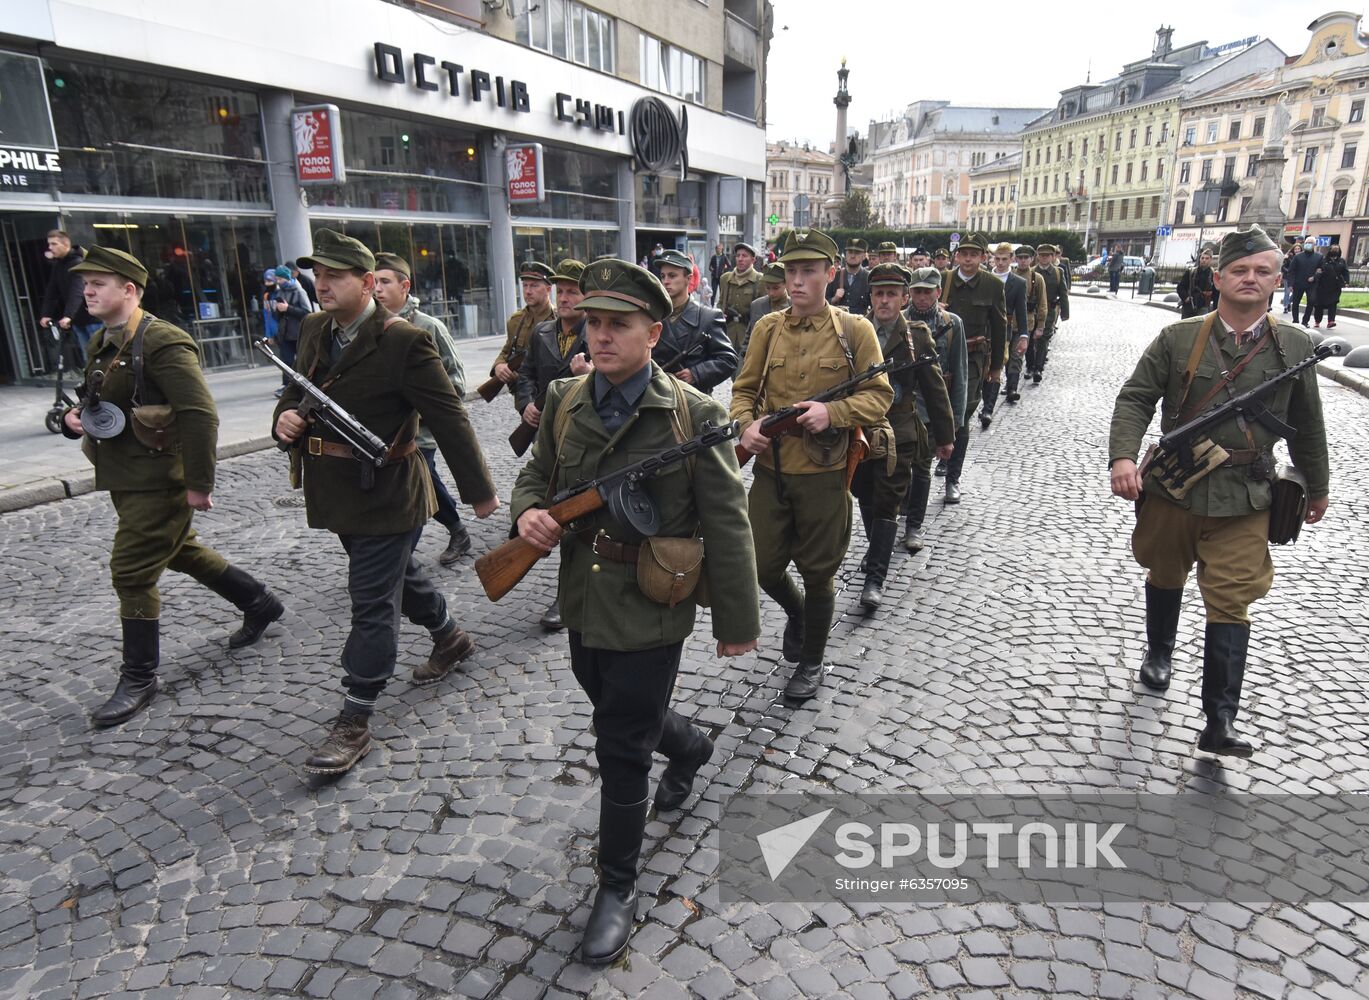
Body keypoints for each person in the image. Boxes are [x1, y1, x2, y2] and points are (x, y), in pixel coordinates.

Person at [511, 259, 759, 966]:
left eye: (618, 324)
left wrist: (735, 623)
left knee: (618, 740)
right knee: (611, 700)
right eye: (592, 322)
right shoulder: (564, 398)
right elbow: (537, 472)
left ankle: (616, 885)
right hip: (584, 596)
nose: (602, 335)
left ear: (655, 332)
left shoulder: (693, 413)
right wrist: (529, 512)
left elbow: (727, 520)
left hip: (654, 600)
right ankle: (687, 745)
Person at [272, 230, 500, 775]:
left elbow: (449, 416)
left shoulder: (404, 340)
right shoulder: (313, 328)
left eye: (334, 276)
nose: (321, 285)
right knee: (398, 578)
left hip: (392, 493)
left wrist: (481, 494)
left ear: (368, 283)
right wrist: (284, 419)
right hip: (338, 492)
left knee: (370, 598)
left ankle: (355, 716)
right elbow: (295, 389)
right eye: (317, 275)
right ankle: (450, 637)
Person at [1108, 225, 1329, 757]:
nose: (1250, 279)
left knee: (1232, 599)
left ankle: (1219, 720)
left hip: (1245, 496)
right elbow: (1137, 397)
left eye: (1261, 271)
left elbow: (1309, 422)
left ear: (1278, 280)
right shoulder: (1179, 338)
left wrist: (1316, 486)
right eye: (1239, 270)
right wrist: (1122, 457)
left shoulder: (1296, 346)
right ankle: (1159, 652)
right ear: (1219, 276)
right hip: (1173, 489)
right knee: (1164, 569)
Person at [59, 246, 284, 727]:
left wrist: (199, 483)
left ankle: (139, 676)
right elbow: (100, 400)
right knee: (180, 550)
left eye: (99, 282)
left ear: (130, 290)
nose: (88, 290)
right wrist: (73, 418)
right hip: (125, 476)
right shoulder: (103, 341)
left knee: (132, 571)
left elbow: (200, 415)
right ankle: (258, 601)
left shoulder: (163, 341)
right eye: (85, 283)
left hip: (162, 480)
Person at [732, 228, 893, 701]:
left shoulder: (853, 331)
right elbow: (743, 391)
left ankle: (812, 659)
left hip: (825, 472)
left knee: (820, 572)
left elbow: (880, 395)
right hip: (771, 471)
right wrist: (745, 425)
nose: (797, 282)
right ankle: (799, 613)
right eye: (791, 272)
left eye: (808, 272)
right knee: (759, 567)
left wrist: (833, 413)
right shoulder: (768, 327)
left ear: (830, 274)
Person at [849, 264, 955, 609]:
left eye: (891, 294)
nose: (884, 301)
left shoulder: (917, 336)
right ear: (871, 296)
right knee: (863, 493)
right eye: (879, 293)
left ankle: (875, 578)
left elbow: (934, 389)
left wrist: (945, 436)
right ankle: (875, 548)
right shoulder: (853, 332)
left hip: (900, 431)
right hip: (862, 431)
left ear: (903, 298)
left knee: (888, 500)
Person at [372, 252, 474, 569]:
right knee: (424, 483)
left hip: (423, 434)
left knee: (413, 489)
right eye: (373, 281)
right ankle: (457, 528)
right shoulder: (369, 327)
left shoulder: (429, 327)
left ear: (405, 286)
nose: (377, 288)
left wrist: (424, 413)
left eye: (385, 281)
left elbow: (456, 383)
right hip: (385, 433)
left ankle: (400, 562)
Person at [516, 259, 594, 630]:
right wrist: (526, 404)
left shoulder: (597, 332)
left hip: (583, 436)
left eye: (572, 292)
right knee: (541, 506)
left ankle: (565, 597)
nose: (564, 298)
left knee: (573, 514)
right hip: (548, 435)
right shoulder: (542, 331)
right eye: (560, 291)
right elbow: (526, 374)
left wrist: (587, 377)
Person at [901, 267, 966, 552]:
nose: (922, 297)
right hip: (902, 410)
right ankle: (897, 515)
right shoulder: (898, 321)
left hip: (932, 411)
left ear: (939, 292)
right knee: (896, 472)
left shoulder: (953, 325)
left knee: (923, 470)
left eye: (928, 291)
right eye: (917, 291)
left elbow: (960, 375)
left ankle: (914, 525)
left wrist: (953, 425)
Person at [939, 234, 1006, 504]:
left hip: (973, 359)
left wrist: (997, 367)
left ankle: (952, 478)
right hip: (941, 357)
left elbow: (1000, 326)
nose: (968, 259)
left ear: (982, 257)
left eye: (973, 254)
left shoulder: (991, 285)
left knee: (962, 415)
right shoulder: (943, 280)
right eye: (963, 253)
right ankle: (940, 454)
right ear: (957, 256)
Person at [651, 249, 737, 393]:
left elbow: (728, 360)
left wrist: (697, 373)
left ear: (689, 279)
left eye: (672, 276)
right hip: (659, 397)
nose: (665, 281)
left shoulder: (708, 317)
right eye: (663, 276)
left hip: (695, 402)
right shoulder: (653, 316)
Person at [490, 261, 556, 397]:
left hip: (549, 395)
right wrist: (499, 365)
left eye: (534, 286)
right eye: (525, 285)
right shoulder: (516, 321)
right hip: (523, 396)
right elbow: (508, 350)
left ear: (548, 289)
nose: (528, 291)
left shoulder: (558, 320)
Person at [981, 243, 1027, 428]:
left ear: (1011, 259)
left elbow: (1021, 311)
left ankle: (988, 409)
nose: (1000, 263)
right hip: (982, 329)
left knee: (997, 365)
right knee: (981, 367)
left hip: (1004, 329)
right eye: (997, 259)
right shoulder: (984, 277)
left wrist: (1024, 335)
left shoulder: (1018, 283)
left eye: (1004, 259)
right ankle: (982, 401)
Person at [39, 230, 100, 365]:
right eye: (49, 244)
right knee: (88, 357)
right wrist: (46, 314)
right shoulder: (59, 265)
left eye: (54, 244)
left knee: (98, 356)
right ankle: (93, 384)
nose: (50, 248)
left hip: (93, 318)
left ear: (65, 244)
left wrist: (68, 315)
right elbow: (51, 291)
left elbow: (77, 291)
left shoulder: (77, 263)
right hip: (79, 319)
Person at [1004, 246, 1047, 404]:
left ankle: (1012, 388)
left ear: (1031, 259)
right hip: (1008, 323)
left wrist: (1040, 325)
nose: (1023, 261)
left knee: (1016, 356)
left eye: (1026, 258)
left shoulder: (1037, 278)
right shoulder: (1010, 276)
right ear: (1015, 259)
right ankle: (1009, 383)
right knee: (1007, 357)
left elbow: (1042, 303)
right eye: (1020, 258)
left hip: (1026, 323)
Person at [268, 265, 312, 398]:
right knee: (286, 361)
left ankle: (304, 385)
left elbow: (307, 313)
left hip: (298, 332)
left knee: (301, 360)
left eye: (280, 278)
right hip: (285, 333)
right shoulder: (279, 293)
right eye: (277, 278)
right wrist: (276, 310)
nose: (278, 281)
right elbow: (278, 317)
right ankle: (287, 386)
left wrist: (288, 309)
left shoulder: (299, 291)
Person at [1029, 244, 1071, 384]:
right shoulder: (1032, 271)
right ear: (1037, 257)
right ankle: (1030, 365)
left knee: (1044, 339)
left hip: (1050, 311)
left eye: (1047, 255)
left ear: (1053, 257)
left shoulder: (1058, 272)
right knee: (1030, 339)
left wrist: (1065, 312)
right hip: (1032, 310)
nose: (1044, 258)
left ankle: (1038, 369)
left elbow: (1063, 293)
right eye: (1041, 255)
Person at [716, 243, 763, 350]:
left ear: (753, 259)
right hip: (728, 333)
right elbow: (721, 302)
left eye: (744, 256)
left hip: (749, 335)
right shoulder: (725, 278)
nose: (740, 259)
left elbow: (765, 309)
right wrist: (720, 313)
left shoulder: (760, 280)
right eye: (738, 256)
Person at [743, 261, 789, 363]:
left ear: (786, 283)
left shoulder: (795, 306)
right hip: (759, 361)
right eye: (767, 288)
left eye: (776, 288)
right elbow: (749, 338)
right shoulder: (757, 305)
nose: (771, 293)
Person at [825, 238, 871, 316]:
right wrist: (834, 299)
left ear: (864, 256)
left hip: (860, 325)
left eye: (857, 253)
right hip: (837, 324)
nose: (852, 256)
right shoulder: (834, 276)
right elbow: (822, 303)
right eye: (850, 252)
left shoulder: (869, 278)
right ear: (845, 254)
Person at [1309, 244, 1349, 329]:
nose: (1335, 251)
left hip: (1335, 286)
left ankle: (1331, 321)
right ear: (1330, 250)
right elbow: (1318, 270)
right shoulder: (1323, 260)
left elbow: (1345, 272)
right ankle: (1317, 321)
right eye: (1333, 249)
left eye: (1337, 249)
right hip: (1322, 286)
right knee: (1319, 305)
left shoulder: (1341, 261)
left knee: (1333, 303)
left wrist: (1346, 282)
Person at [1286, 242, 1323, 326]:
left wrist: (1315, 277)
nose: (1308, 245)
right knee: (1295, 302)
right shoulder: (1298, 256)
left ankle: (1305, 321)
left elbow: (1321, 269)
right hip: (1298, 283)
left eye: (1310, 243)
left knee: (1311, 301)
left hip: (1311, 284)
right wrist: (1290, 284)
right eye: (1307, 243)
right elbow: (1291, 271)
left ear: (1314, 245)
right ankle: (1295, 320)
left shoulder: (1319, 256)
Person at [1176, 248, 1218, 319]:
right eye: (1202, 258)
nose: (1204, 260)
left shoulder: (1213, 275)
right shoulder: (1191, 272)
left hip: (1203, 305)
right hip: (1189, 305)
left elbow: (1216, 293)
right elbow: (1180, 287)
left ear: (1210, 260)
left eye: (1207, 258)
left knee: (1200, 327)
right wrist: (1185, 297)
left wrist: (1215, 308)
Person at [1280, 243, 1301, 314]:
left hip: (1297, 277)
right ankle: (1285, 307)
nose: (1297, 250)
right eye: (1295, 249)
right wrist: (1288, 271)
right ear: (1293, 249)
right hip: (1287, 277)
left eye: (1298, 249)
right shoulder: (1289, 257)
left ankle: (1288, 302)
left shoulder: (1303, 257)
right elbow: (1283, 266)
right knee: (1287, 291)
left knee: (1296, 292)